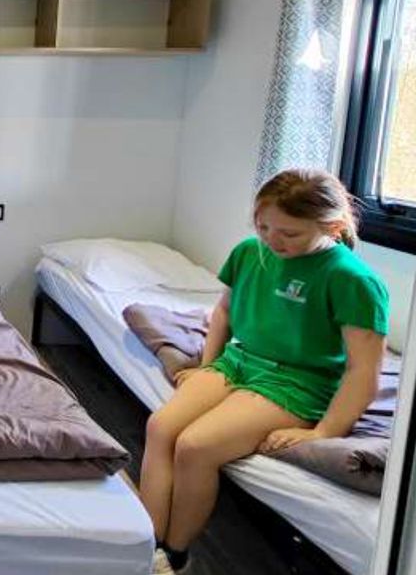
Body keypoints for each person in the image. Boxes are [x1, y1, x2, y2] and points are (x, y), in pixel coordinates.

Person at [140, 169, 389, 574]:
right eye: (263, 227)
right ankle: (147, 545)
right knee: (160, 427)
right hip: (239, 361)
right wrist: (207, 366)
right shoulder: (248, 252)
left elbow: (364, 372)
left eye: (289, 233)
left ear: (333, 226)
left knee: (195, 447)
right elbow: (223, 312)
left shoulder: (351, 279)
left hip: (298, 382)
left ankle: (175, 555)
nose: (273, 240)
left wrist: (323, 432)